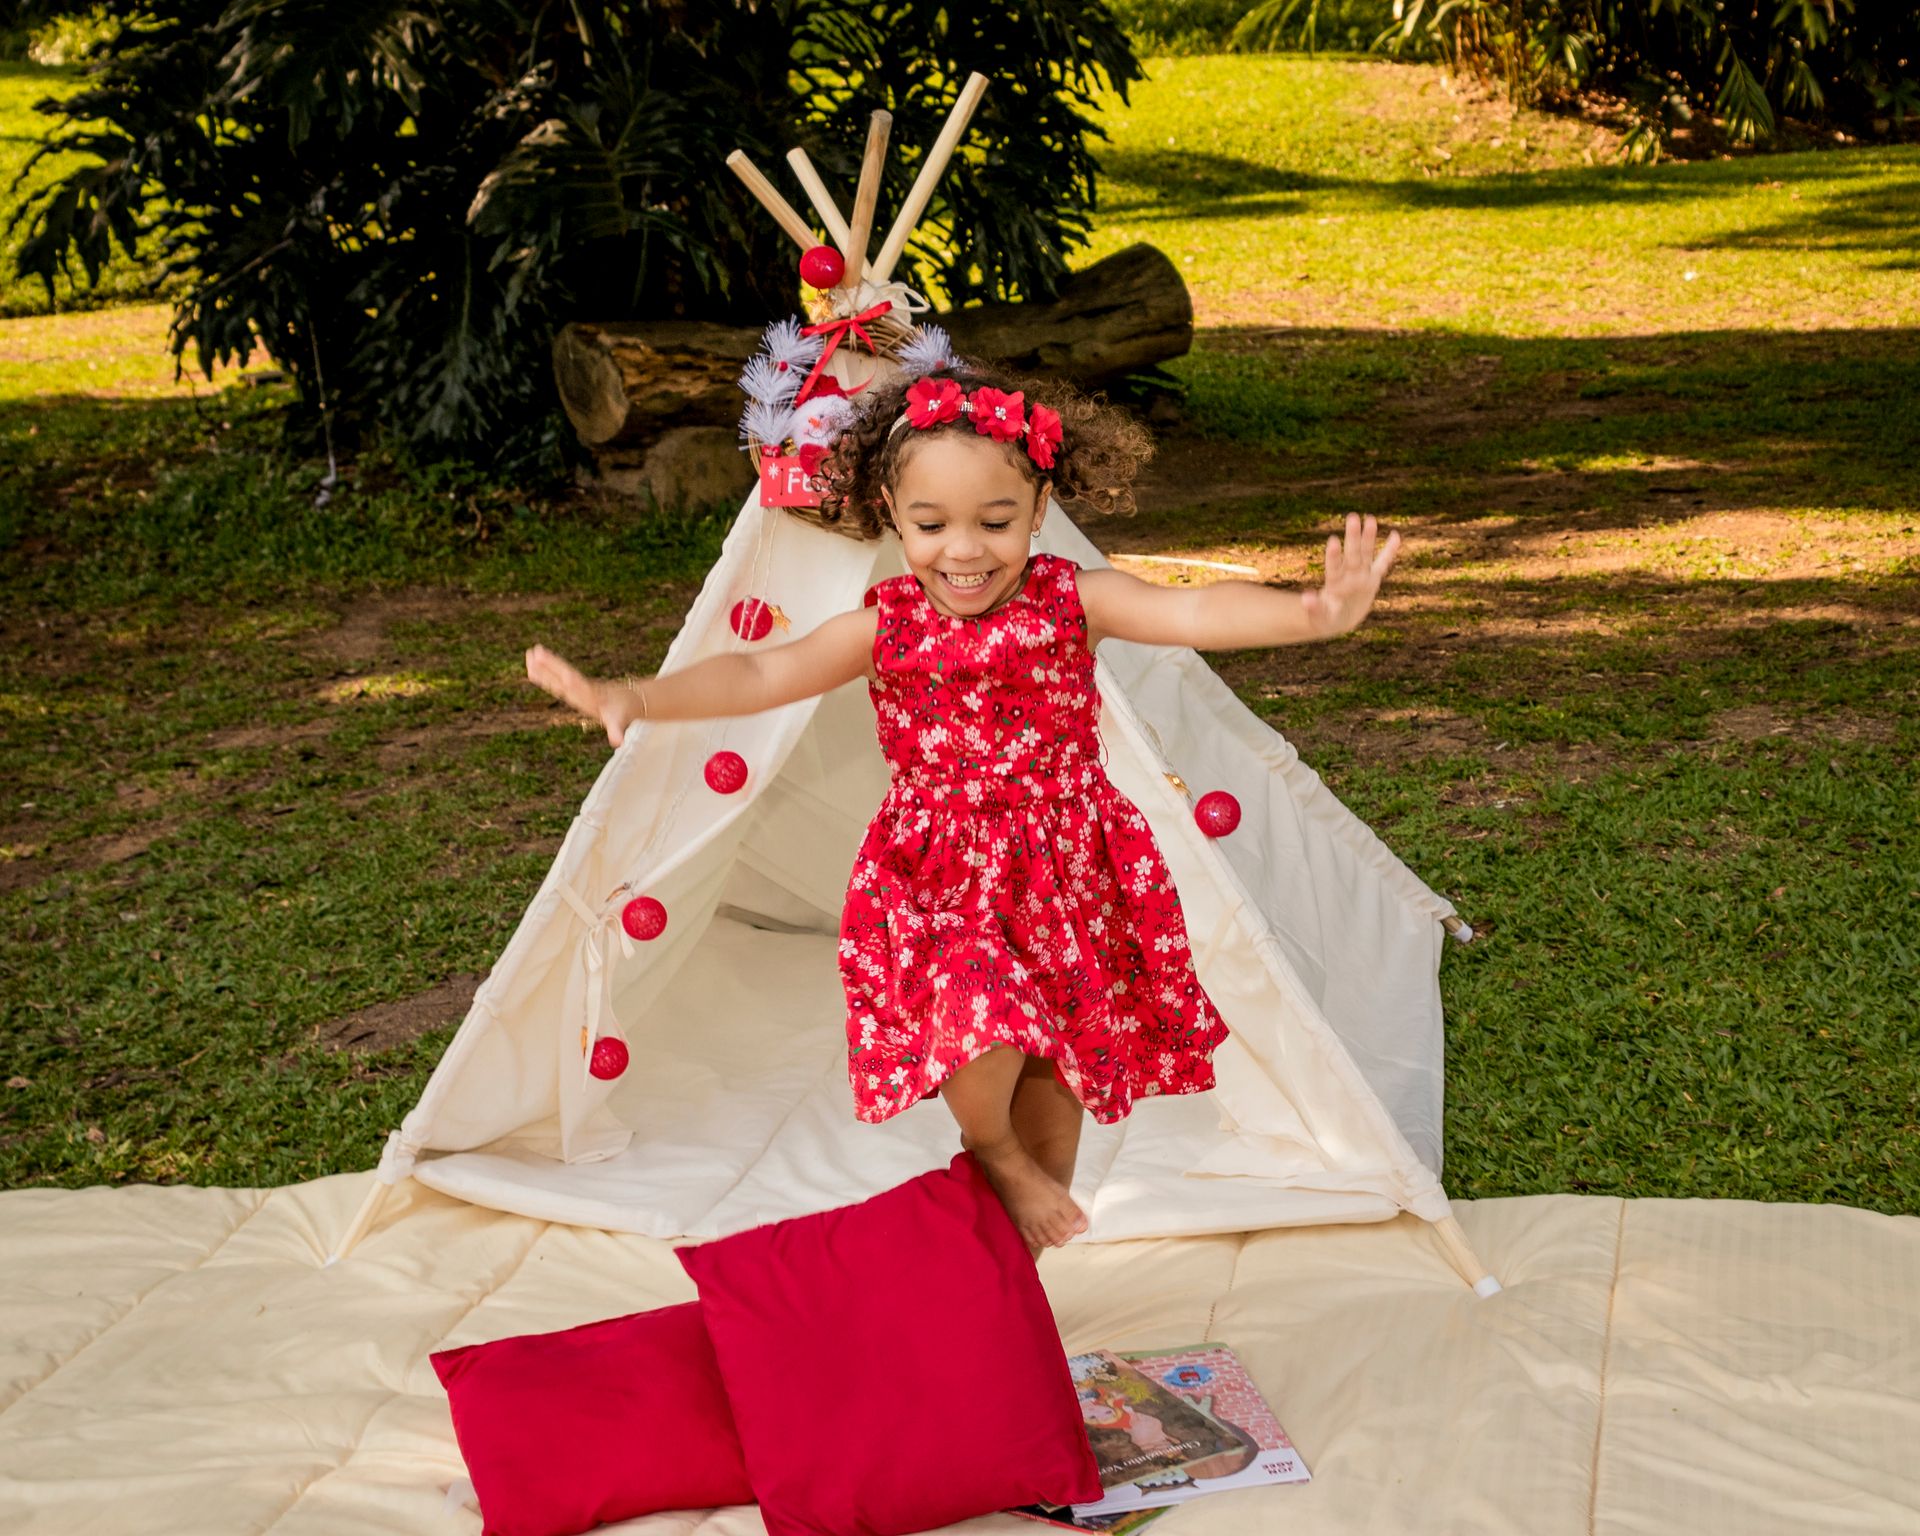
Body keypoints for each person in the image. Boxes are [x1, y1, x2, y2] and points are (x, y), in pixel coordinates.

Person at [524, 364, 1400, 1259]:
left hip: (1069, 865)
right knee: (976, 1014)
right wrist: (636, 694)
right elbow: (761, 671)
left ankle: (1018, 1269)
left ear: (1038, 504)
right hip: (940, 873)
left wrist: (1312, 614)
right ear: (890, 516)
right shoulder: (887, 624)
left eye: (996, 521)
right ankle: (993, 1149)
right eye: (931, 525)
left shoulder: (1073, 600)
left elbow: (1192, 610)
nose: (964, 550)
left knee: (1060, 1075)